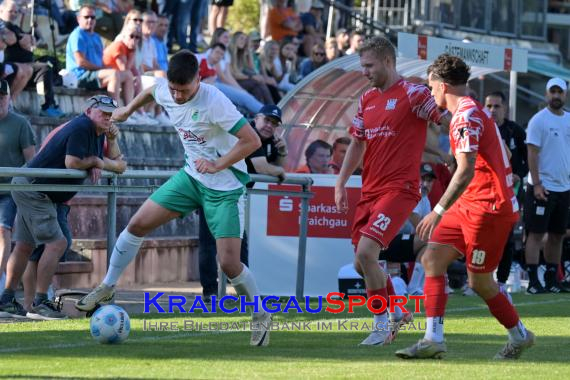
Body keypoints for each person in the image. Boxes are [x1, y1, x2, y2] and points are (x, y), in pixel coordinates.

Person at [75, 50, 272, 346]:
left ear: (199, 80)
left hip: (224, 186)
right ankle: (106, 286)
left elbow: (252, 141)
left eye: (185, 90)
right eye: (174, 89)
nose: (178, 96)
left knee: (229, 264)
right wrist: (127, 110)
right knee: (137, 224)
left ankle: (260, 315)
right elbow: (153, 91)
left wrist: (218, 164)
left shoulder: (215, 101)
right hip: (191, 177)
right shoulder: (166, 90)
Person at [395, 54, 534, 360]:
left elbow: (466, 169)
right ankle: (433, 338)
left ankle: (520, 336)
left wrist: (438, 210)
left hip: (488, 210)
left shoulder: (467, 116)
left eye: (432, 88)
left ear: (443, 86)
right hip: (470, 203)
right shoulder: (474, 112)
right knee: (431, 258)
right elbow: (502, 160)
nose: (432, 94)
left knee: (480, 282)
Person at [334, 36, 445, 346]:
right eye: (362, 66)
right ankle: (396, 310)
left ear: (387, 61)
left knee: (367, 253)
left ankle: (381, 324)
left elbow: (445, 117)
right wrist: (342, 183)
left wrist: (466, 147)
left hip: (400, 189)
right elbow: (357, 142)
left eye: (369, 65)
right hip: (370, 191)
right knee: (361, 263)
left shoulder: (414, 93)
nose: (364, 71)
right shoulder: (367, 98)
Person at [0, 95, 127, 320]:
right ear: (88, 111)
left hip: (32, 187)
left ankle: (7, 301)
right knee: (57, 243)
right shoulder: (82, 126)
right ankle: (40, 303)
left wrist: (108, 146)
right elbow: (73, 162)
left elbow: (120, 165)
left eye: (110, 114)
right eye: (103, 113)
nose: (107, 117)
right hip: (36, 189)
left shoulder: (97, 131)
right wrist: (95, 161)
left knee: (24, 246)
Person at [524, 77, 570, 294]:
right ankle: (533, 282)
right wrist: (537, 184)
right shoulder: (538, 120)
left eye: (559, 92)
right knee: (535, 234)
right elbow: (532, 154)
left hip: (564, 188)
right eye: (552, 92)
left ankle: (553, 280)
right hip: (542, 187)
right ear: (546, 94)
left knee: (557, 235)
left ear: (565, 95)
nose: (556, 96)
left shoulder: (569, 119)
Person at [484, 91, 528, 294]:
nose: (492, 110)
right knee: (481, 235)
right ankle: (477, 279)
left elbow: (527, 160)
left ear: (504, 108)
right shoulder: (481, 127)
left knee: (507, 236)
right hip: (484, 192)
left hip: (510, 192)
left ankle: (501, 281)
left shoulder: (515, 131)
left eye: (496, 106)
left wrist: (519, 174)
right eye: (489, 106)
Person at [0, 79, 36, 294]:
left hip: (10, 190)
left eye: (2, 97)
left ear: (8, 98)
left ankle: (2, 276)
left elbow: (32, 161)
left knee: (3, 229)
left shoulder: (20, 124)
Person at [0, 0, 65, 117]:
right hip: (11, 65)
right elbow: (11, 39)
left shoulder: (14, 26)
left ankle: (47, 104)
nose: (14, 13)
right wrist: (21, 37)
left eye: (16, 11)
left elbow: (32, 41)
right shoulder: (3, 24)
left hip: (26, 65)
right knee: (41, 68)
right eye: (11, 11)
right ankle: (45, 106)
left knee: (46, 66)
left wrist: (27, 37)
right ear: (1, 11)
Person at [66, 5, 134, 105]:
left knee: (127, 75)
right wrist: (102, 69)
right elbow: (81, 62)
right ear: (78, 19)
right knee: (113, 74)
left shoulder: (97, 37)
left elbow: (100, 61)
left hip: (94, 73)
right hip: (80, 76)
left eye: (93, 17)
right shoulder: (77, 35)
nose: (90, 20)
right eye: (86, 17)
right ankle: (115, 113)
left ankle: (129, 112)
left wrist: (107, 68)